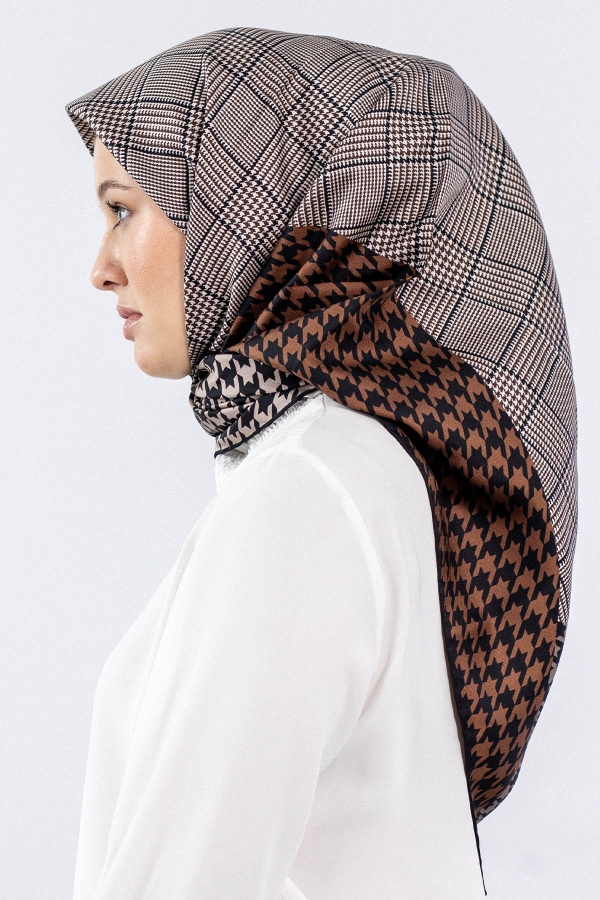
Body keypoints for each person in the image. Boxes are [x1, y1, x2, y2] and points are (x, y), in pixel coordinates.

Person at [66, 26, 577, 900]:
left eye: (124, 210)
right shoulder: (362, 469)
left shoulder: (308, 490)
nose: (101, 268)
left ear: (240, 210)